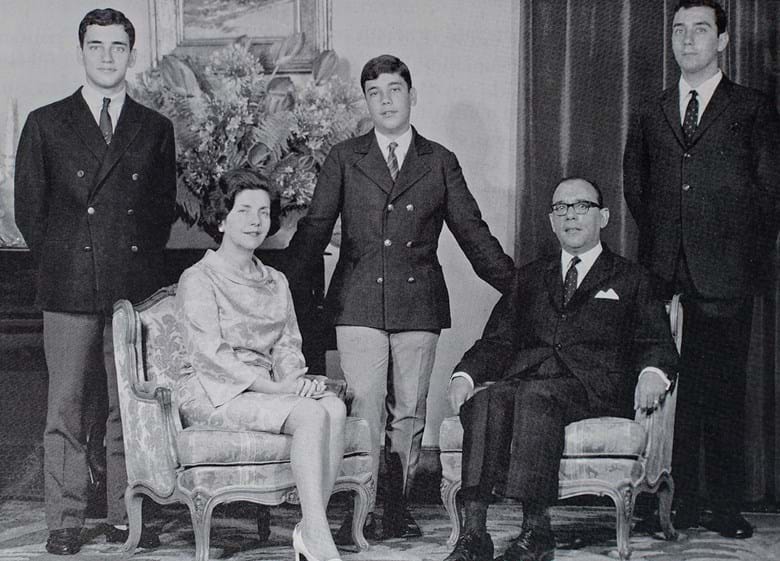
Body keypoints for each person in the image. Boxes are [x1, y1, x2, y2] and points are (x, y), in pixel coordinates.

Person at [285, 54, 515, 542]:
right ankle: (363, 506)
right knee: (366, 407)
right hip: (358, 300)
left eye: (394, 90)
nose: (385, 100)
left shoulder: (439, 161)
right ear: (366, 101)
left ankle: (398, 503)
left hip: (418, 303)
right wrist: (279, 282)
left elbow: (474, 234)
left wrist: (522, 288)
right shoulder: (346, 157)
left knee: (409, 411)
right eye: (374, 93)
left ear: (413, 95)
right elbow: (315, 228)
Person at [443, 178, 679, 561]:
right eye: (561, 208)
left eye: (581, 206)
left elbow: (656, 342)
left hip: (593, 387)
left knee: (535, 395)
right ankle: (474, 535)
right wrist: (465, 374)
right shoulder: (530, 277)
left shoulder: (631, 278)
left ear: (603, 217)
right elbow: (498, 340)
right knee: (489, 399)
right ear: (552, 222)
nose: (570, 215)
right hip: (532, 379)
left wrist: (654, 373)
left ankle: (536, 532)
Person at [14, 8, 176, 555]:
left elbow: (158, 216)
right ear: (81, 52)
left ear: (132, 54)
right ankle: (64, 520)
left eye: (118, 47)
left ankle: (124, 514)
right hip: (66, 284)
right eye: (96, 46)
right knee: (64, 405)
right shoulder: (46, 122)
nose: (107, 57)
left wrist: (127, 268)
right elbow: (30, 213)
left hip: (131, 286)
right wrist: (68, 258)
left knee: (126, 406)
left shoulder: (155, 129)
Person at [623, 0, 780, 539]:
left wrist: (732, 253)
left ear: (724, 41)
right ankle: (674, 500)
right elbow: (635, 188)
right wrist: (671, 242)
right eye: (679, 30)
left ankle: (723, 506)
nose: (687, 40)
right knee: (668, 393)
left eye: (701, 30)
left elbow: (769, 194)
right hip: (664, 272)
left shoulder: (753, 109)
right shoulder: (652, 109)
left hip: (726, 275)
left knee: (722, 391)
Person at [175, 169, 346, 561]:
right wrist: (278, 390)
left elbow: (288, 344)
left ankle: (308, 528)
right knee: (309, 414)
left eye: (264, 212)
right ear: (222, 218)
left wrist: (294, 380)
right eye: (245, 210)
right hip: (214, 390)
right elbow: (210, 357)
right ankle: (319, 538)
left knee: (333, 407)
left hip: (269, 387)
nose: (256, 221)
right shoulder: (199, 279)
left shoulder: (276, 281)